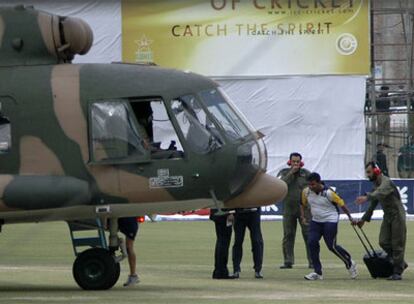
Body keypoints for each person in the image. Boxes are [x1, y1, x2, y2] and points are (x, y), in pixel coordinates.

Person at [355, 162, 407, 280]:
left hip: (397, 215)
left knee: (397, 244)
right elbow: (373, 204)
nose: (367, 175)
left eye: (369, 172)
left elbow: (379, 193)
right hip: (387, 216)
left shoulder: (386, 182)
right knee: (383, 241)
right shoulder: (376, 185)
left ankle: (397, 272)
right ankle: (400, 262)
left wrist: (366, 197)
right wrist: (364, 219)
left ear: (376, 171)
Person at [301, 172, 357, 281]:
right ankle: (317, 272)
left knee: (331, 246)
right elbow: (302, 204)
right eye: (309, 185)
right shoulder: (306, 192)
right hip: (316, 221)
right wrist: (303, 216)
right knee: (312, 242)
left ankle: (349, 263)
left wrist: (350, 217)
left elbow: (342, 204)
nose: (311, 187)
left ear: (319, 182)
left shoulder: (329, 193)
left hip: (330, 220)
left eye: (313, 185)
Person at [277, 152, 312, 269]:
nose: (296, 164)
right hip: (288, 208)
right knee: (288, 234)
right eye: (294, 162)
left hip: (304, 209)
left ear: (301, 162)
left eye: (298, 162)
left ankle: (312, 261)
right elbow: (280, 185)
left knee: (308, 234)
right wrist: (291, 173)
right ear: (290, 162)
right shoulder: (284, 173)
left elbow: (314, 186)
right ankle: (288, 260)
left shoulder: (306, 174)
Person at [232, 208, 264, 279]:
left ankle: (258, 269)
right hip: (239, 212)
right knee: (238, 241)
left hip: (254, 212)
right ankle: (236, 269)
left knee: (257, 241)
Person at [210, 208, 235, 279]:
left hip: (217, 213)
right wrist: (231, 212)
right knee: (224, 242)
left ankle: (218, 270)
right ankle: (222, 271)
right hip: (225, 214)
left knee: (220, 241)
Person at [118, 217, 140, 287]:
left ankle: (133, 276)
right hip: (125, 224)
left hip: (130, 225)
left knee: (129, 248)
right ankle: (133, 276)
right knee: (128, 248)